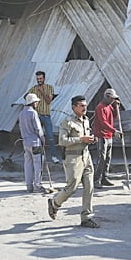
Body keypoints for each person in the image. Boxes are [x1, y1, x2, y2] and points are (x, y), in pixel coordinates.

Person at [47, 95, 99, 228]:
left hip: (86, 156)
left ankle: (86, 217)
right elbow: (62, 141)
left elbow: (86, 137)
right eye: (81, 106)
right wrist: (81, 139)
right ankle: (54, 203)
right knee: (72, 187)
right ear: (74, 107)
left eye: (85, 105)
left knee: (89, 187)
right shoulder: (67, 122)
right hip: (72, 158)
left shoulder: (86, 120)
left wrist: (91, 139)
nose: (85, 108)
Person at [27, 71, 59, 163]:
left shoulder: (49, 88)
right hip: (37, 116)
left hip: (46, 116)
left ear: (44, 79)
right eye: (37, 79)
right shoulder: (33, 89)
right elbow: (27, 98)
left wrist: (42, 92)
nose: (39, 81)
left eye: (40, 79)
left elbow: (49, 101)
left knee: (50, 136)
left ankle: (54, 156)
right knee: (37, 137)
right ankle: (40, 156)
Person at [93, 88, 121, 188]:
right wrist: (114, 131)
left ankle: (105, 177)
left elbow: (115, 116)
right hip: (101, 135)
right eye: (112, 98)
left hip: (109, 136)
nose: (113, 100)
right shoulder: (100, 107)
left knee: (108, 158)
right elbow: (103, 122)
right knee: (102, 158)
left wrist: (117, 106)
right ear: (107, 96)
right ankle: (96, 179)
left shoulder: (109, 106)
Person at [19, 93, 45, 193]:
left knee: (28, 164)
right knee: (38, 164)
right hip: (35, 143)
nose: (37, 103)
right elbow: (38, 129)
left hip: (25, 142)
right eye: (36, 102)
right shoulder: (33, 113)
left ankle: (29, 186)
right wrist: (43, 139)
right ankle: (37, 185)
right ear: (33, 103)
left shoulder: (21, 113)